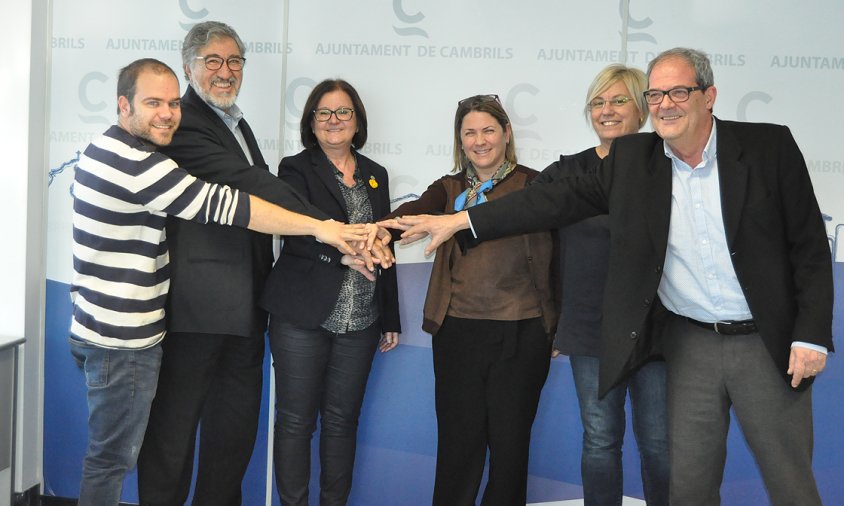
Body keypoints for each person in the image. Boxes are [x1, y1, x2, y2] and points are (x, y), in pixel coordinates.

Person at [388, 48, 832, 505]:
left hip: (763, 339)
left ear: (709, 96)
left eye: (678, 92)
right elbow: (544, 203)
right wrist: (459, 222)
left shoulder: (769, 146)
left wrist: (812, 335)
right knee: (690, 483)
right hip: (690, 342)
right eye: (656, 94)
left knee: (788, 476)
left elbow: (810, 247)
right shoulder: (632, 160)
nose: (665, 104)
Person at [70, 58, 371, 506]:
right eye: (154, 102)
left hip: (131, 333)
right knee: (111, 460)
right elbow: (230, 202)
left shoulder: (130, 151)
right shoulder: (133, 162)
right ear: (122, 103)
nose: (168, 113)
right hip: (122, 340)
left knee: (119, 456)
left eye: (172, 103)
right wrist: (324, 228)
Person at [136, 22, 392, 506]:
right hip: (197, 313)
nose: (225, 71)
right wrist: (333, 227)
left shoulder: (236, 122)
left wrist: (339, 241)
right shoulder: (184, 123)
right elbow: (249, 184)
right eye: (212, 60)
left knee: (231, 440)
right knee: (173, 437)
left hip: (247, 309)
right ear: (189, 66)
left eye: (234, 61)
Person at [381, 95, 558, 505]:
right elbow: (411, 215)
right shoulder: (449, 189)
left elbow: (560, 257)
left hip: (522, 334)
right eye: (470, 133)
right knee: (459, 450)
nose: (480, 141)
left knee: (510, 451)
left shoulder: (538, 185)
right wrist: (373, 233)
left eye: (489, 130)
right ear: (460, 141)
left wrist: (557, 324)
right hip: (457, 334)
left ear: (507, 133)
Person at [259, 79, 401, 505]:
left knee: (343, 422)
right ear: (312, 123)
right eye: (324, 113)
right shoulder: (295, 168)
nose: (334, 121)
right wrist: (338, 258)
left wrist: (389, 317)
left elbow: (384, 243)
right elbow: (295, 234)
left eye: (343, 112)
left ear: (357, 121)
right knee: (296, 422)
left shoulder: (376, 174)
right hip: (303, 316)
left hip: (359, 320)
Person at [535, 65, 668, 505]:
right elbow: (527, 223)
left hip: (657, 329)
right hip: (590, 330)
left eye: (618, 101)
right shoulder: (567, 172)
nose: (606, 110)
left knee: (659, 446)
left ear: (643, 109)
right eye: (598, 102)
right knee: (600, 442)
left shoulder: (669, 168)